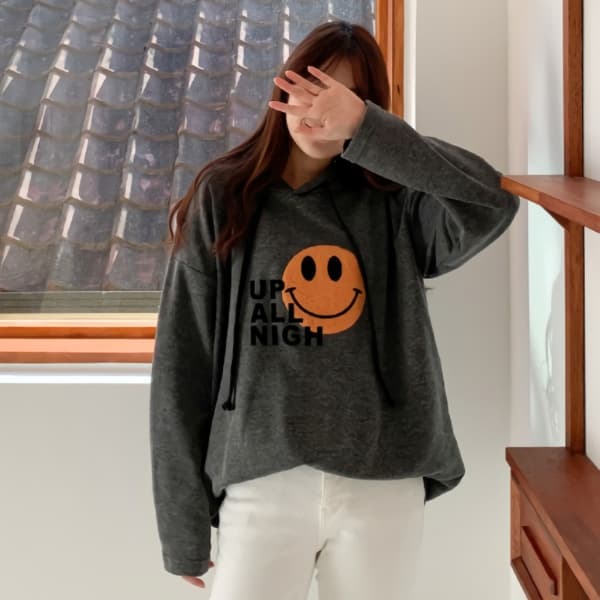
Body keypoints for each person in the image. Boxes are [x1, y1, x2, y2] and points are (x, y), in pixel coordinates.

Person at [149, 20, 520, 600]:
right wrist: (182, 526)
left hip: (383, 480)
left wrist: (367, 130)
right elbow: (181, 361)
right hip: (260, 477)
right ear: (284, 90)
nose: (319, 114)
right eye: (311, 90)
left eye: (342, 101)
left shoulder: (394, 202)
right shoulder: (225, 198)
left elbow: (492, 201)